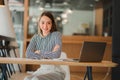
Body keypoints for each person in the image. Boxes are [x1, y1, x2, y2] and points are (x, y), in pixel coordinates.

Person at [24, 11, 65, 80]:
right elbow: (28, 54)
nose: (45, 26)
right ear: (39, 23)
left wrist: (40, 52)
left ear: (52, 24)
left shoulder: (56, 35)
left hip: (56, 72)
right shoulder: (35, 37)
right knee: (27, 78)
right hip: (42, 70)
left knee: (36, 79)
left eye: (48, 23)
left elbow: (56, 54)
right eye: (42, 22)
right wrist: (49, 54)